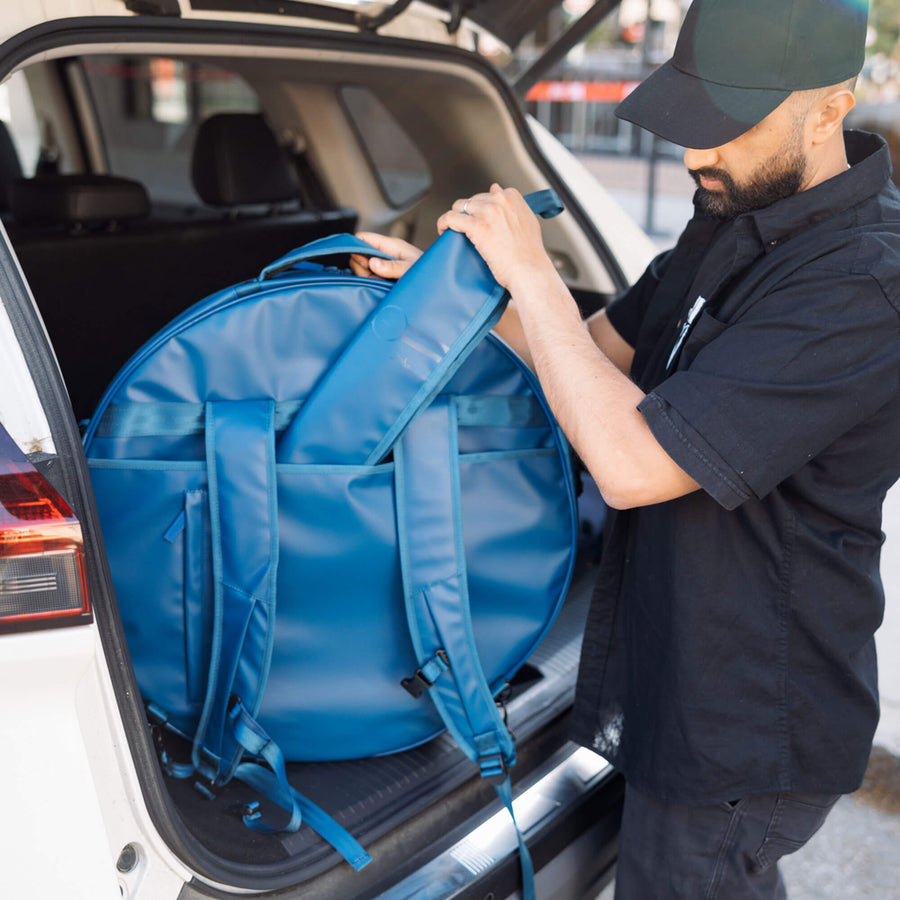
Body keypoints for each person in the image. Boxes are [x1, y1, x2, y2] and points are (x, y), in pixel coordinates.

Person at [350, 0, 900, 895]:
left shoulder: (864, 286)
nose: (693, 155)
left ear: (829, 107)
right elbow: (595, 349)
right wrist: (449, 297)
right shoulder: (733, 207)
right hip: (676, 668)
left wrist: (532, 270)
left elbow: (634, 465)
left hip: (744, 729)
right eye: (689, 121)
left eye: (723, 127)